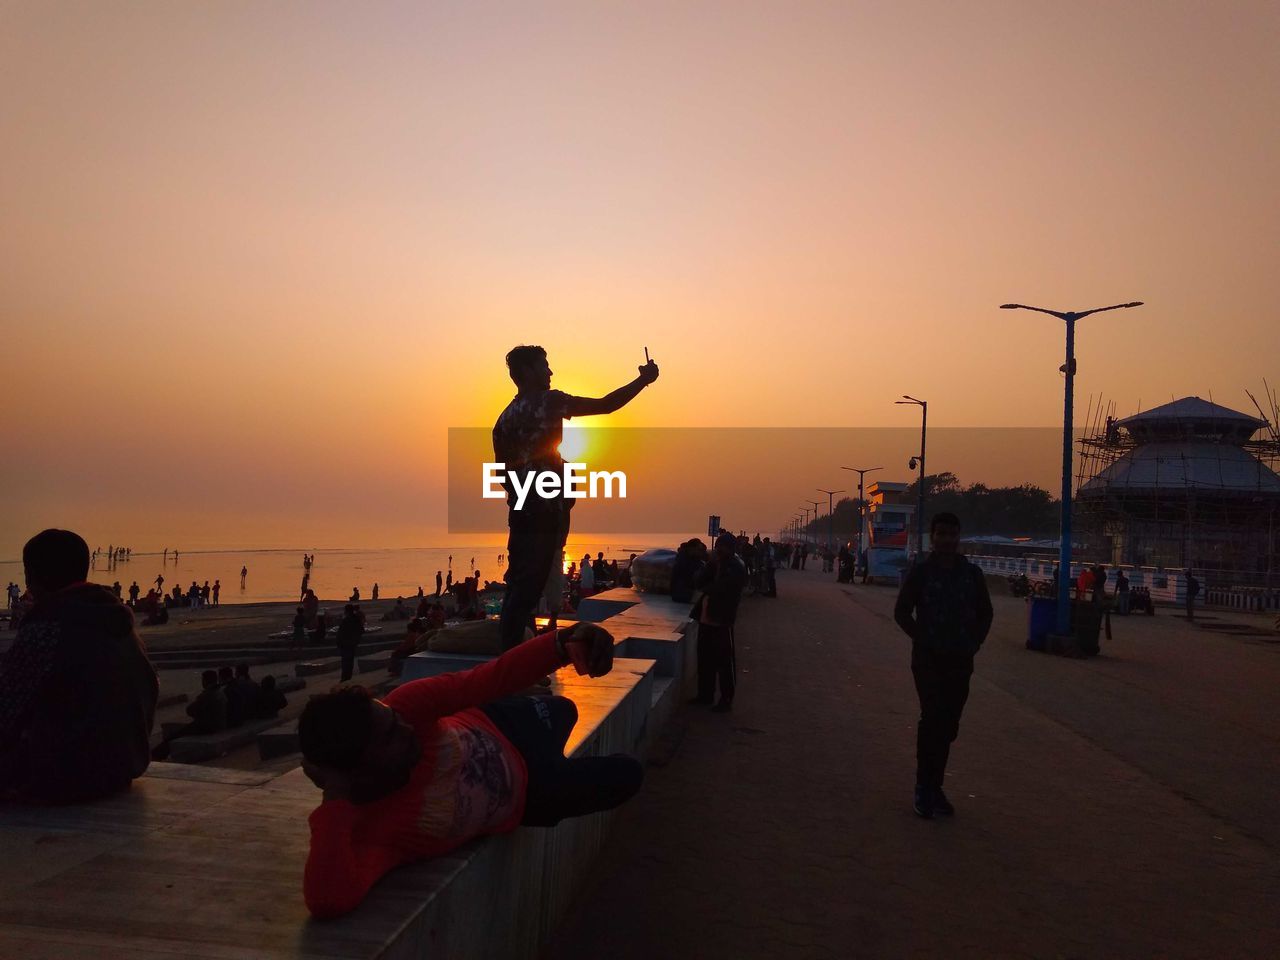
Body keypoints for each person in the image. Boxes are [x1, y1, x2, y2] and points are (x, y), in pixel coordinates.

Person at [298, 620, 641, 918]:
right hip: (530, 791)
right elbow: (328, 899)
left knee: (565, 708)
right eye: (389, 736)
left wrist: (565, 642)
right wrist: (335, 799)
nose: (404, 727)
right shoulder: (377, 829)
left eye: (394, 719)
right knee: (628, 774)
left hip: (502, 724)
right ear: (356, 773)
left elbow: (488, 679)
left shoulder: (406, 707)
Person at [493, 344, 659, 651]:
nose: (550, 371)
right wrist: (643, 381)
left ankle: (511, 660)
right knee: (529, 591)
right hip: (544, 513)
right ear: (527, 372)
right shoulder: (549, 402)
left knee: (519, 591)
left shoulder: (503, 419)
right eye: (544, 365)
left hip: (521, 513)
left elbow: (503, 474)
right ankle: (512, 669)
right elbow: (607, 405)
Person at [0, 529, 159, 803]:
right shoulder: (117, 622)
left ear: (35, 575)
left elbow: (6, 707)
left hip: (68, 773)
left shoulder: (48, 626)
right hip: (122, 767)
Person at [894, 512, 994, 820]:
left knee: (949, 725)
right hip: (928, 661)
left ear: (958, 537)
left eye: (952, 534)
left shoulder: (971, 575)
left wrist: (973, 642)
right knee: (932, 719)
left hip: (960, 660)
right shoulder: (921, 573)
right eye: (941, 534)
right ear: (932, 537)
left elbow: (985, 614)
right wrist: (923, 639)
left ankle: (935, 786)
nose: (947, 540)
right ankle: (924, 787)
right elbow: (901, 612)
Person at [690, 532, 747, 712]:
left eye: (722, 547)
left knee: (724, 663)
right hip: (706, 619)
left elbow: (722, 588)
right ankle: (705, 695)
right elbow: (698, 582)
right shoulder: (713, 564)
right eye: (718, 546)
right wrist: (710, 564)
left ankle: (726, 699)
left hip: (722, 620)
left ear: (730, 548)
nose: (718, 550)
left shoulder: (736, 567)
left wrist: (709, 585)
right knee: (704, 659)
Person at [152, 669, 227, 759]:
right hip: (215, 724)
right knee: (175, 731)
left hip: (206, 726)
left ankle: (155, 755)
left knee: (175, 735)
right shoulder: (220, 692)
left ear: (205, 681)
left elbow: (190, 710)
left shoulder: (208, 694)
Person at [336, 604, 364, 682]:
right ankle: (347, 677)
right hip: (352, 644)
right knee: (349, 661)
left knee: (346, 662)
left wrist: (339, 643)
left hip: (346, 644)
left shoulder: (346, 620)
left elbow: (340, 633)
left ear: (346, 611)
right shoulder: (356, 619)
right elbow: (361, 630)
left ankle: (345, 678)